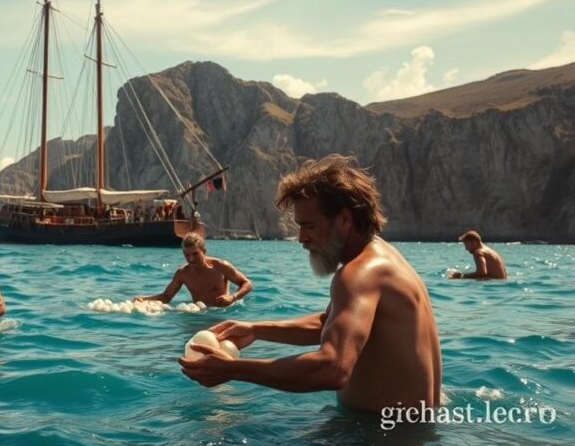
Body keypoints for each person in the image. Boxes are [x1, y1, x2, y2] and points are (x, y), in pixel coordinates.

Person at [180, 155, 442, 412]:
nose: (301, 238)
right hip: (407, 434)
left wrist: (233, 369)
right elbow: (332, 324)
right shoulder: (383, 261)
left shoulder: (359, 274)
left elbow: (333, 368)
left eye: (309, 226)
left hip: (381, 444)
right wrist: (255, 329)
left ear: (344, 219)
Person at [133, 233, 252, 307]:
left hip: (221, 314)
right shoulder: (182, 274)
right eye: (187, 255)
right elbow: (166, 297)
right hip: (198, 315)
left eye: (195, 254)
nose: (191, 259)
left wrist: (233, 297)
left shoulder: (220, 266)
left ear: (204, 251)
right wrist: (144, 299)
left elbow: (247, 284)